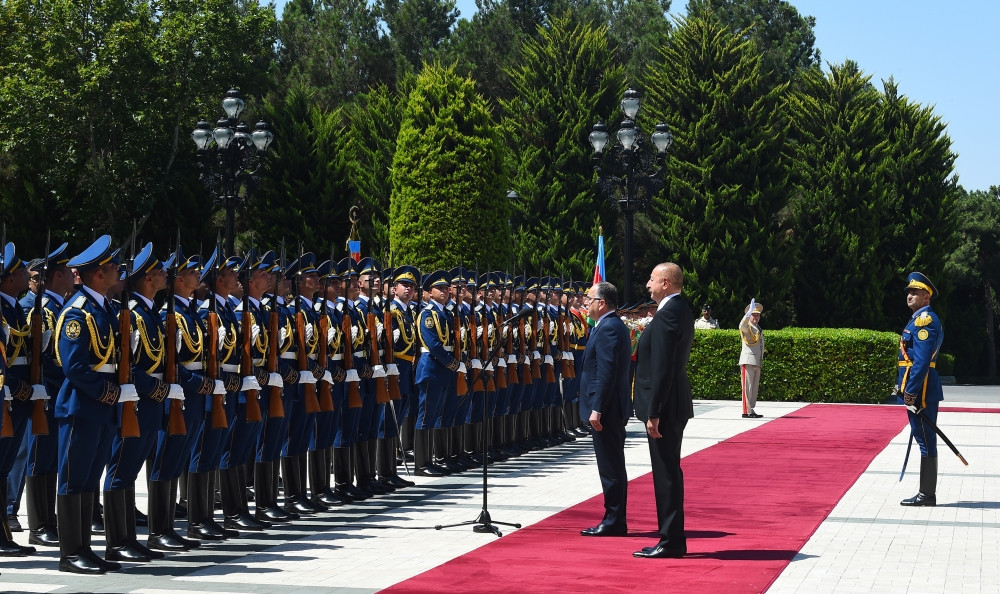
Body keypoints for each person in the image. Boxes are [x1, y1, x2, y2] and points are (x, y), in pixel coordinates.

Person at [631, 262, 693, 559]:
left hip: (665, 408)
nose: (648, 284)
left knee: (666, 473)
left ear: (666, 283)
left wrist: (653, 411)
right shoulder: (677, 309)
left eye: (652, 279)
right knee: (667, 471)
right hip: (671, 404)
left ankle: (671, 541)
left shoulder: (669, 313)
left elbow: (664, 367)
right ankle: (671, 538)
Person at [577, 281, 632, 537]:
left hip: (607, 410)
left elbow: (606, 374)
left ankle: (614, 520)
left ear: (602, 303)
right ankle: (614, 518)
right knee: (612, 465)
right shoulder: (609, 325)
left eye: (589, 299)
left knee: (610, 467)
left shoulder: (609, 327)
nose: (585, 303)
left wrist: (597, 408)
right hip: (609, 407)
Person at [897, 272, 944, 507]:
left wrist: (912, 391)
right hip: (918, 386)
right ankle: (926, 493)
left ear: (927, 297)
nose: (910, 295)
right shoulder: (916, 320)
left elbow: (922, 361)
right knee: (923, 437)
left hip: (922, 388)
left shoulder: (925, 321)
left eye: (915, 292)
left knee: (925, 439)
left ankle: (927, 495)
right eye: (909, 292)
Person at [739, 300, 764, 419]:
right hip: (748, 360)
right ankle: (746, 411)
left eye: (758, 315)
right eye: (753, 315)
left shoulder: (757, 328)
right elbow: (741, 326)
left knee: (754, 388)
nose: (756, 317)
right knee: (747, 387)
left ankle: (751, 409)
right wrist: (747, 315)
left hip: (756, 361)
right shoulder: (747, 326)